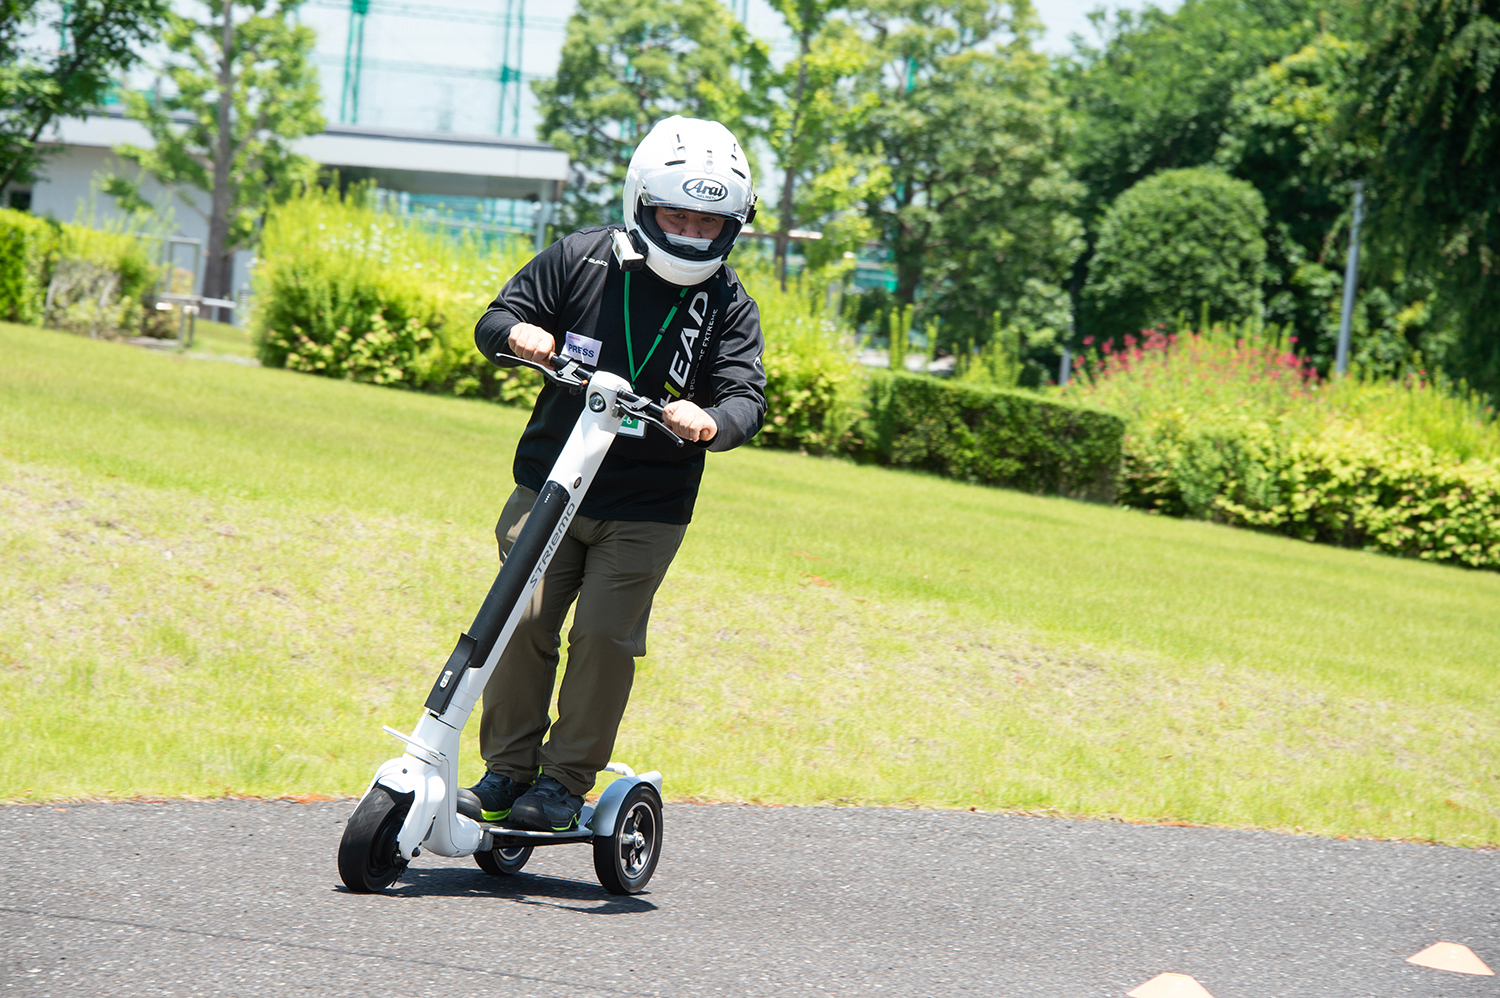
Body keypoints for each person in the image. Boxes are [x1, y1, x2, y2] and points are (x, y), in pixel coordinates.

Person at [463, 115, 767, 832]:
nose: (692, 232)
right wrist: (519, 333)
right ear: (641, 202)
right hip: (550, 485)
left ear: (733, 225)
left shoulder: (728, 303)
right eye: (676, 215)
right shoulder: (582, 258)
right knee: (520, 621)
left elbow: (746, 399)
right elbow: (495, 317)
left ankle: (564, 784)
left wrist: (711, 421)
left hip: (646, 508)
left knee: (604, 637)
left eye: (709, 221)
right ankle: (507, 772)